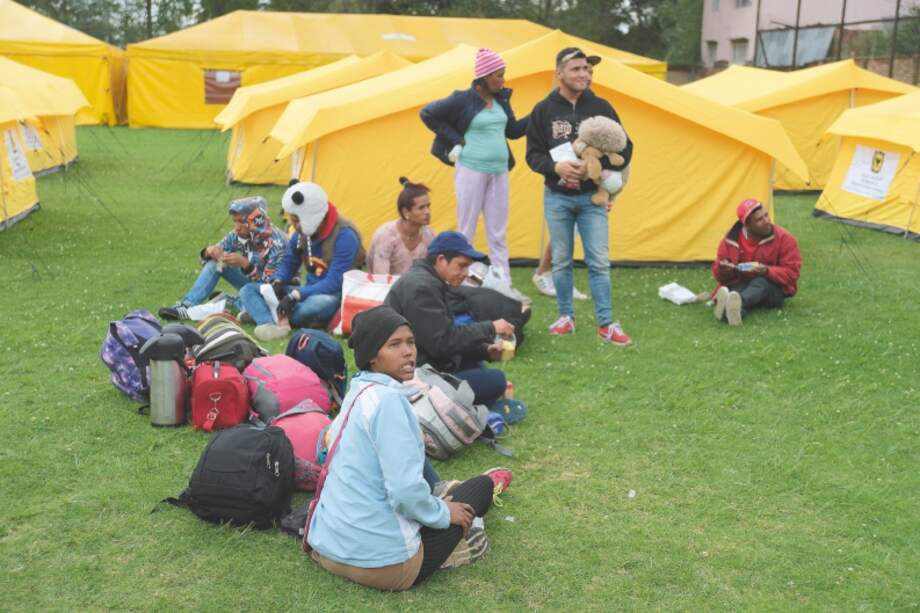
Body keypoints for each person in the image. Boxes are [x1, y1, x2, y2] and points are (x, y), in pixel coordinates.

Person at [306, 306, 512, 591]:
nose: (408, 352)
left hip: (328, 547)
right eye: (395, 344)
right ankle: (460, 542)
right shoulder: (390, 403)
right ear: (372, 357)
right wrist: (442, 514)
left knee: (430, 493)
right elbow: (403, 493)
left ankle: (441, 496)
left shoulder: (357, 391)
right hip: (383, 566)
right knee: (480, 488)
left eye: (410, 342)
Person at [525, 47, 634, 346]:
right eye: (576, 69)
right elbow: (532, 155)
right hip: (557, 196)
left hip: (591, 200)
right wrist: (555, 166)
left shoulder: (601, 107)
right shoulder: (543, 110)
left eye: (587, 69)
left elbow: (626, 148)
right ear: (559, 73)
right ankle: (565, 317)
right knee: (560, 261)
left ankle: (607, 324)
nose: (583, 74)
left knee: (598, 262)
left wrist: (602, 173)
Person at [420, 48, 528, 281]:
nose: (503, 80)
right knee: (466, 229)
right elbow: (428, 113)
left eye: (503, 74)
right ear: (484, 77)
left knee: (498, 233)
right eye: (498, 75)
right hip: (471, 169)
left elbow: (513, 131)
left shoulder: (501, 100)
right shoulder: (462, 99)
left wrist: (538, 114)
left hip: (499, 172)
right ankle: (457, 279)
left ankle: (504, 282)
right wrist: (457, 141)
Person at [384, 231, 516, 408]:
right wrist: (491, 327)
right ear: (440, 260)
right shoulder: (422, 288)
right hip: (411, 379)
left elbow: (444, 334)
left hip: (424, 363)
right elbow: (442, 343)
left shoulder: (430, 281)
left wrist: (486, 350)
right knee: (496, 380)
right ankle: (479, 406)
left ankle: (477, 403)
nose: (466, 273)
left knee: (476, 361)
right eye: (461, 266)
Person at [244, 181, 365, 341]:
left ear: (310, 217)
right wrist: (278, 280)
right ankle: (267, 322)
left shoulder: (345, 236)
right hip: (305, 291)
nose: (293, 225)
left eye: (296, 220)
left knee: (314, 307)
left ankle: (262, 312)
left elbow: (334, 283)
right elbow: (289, 262)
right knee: (249, 289)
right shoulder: (302, 233)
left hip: (331, 295)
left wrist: (295, 295)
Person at [158, 196, 287, 321]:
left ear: (256, 220)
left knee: (256, 307)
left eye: (241, 222)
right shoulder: (238, 234)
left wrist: (245, 265)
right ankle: (187, 305)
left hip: (278, 293)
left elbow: (271, 288)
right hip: (251, 285)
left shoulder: (276, 243)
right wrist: (208, 252)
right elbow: (206, 260)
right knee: (217, 262)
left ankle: (230, 302)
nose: (236, 227)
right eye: (234, 221)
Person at [711, 198, 801, 326]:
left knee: (760, 283)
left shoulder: (785, 238)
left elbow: (792, 273)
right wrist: (722, 269)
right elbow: (719, 275)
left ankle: (733, 303)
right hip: (743, 284)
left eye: (766, 215)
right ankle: (734, 311)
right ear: (747, 225)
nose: (767, 221)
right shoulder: (730, 240)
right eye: (759, 219)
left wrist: (767, 271)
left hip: (774, 289)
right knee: (736, 288)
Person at [366, 177, 435, 275]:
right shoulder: (386, 235)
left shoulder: (429, 235)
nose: (427, 212)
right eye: (421, 208)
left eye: (428, 206)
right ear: (406, 212)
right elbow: (381, 279)